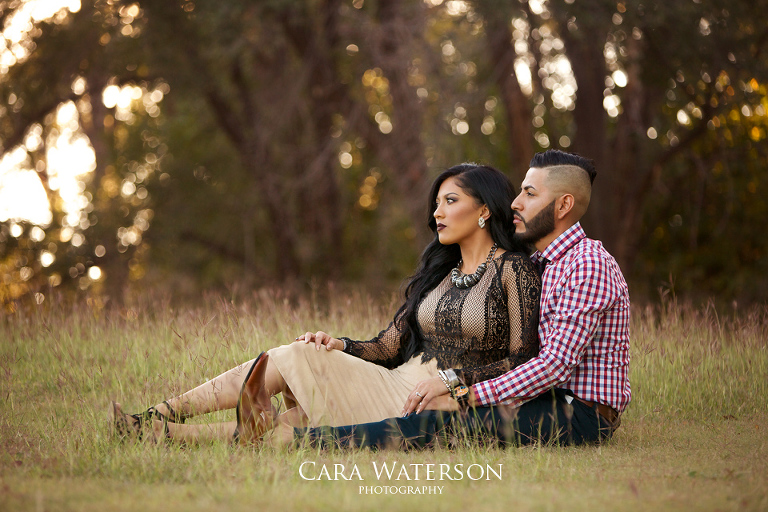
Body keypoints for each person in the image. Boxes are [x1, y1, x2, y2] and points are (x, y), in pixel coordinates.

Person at [111, 163, 541, 444]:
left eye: (450, 201)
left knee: (295, 427)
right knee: (304, 350)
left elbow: (524, 357)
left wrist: (454, 381)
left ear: (484, 209)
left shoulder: (514, 270)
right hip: (400, 379)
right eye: (436, 205)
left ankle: (164, 435)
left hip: (433, 399)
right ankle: (152, 419)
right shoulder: (439, 275)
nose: (438, 214)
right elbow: (389, 347)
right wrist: (341, 345)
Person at [294, 149, 631, 448]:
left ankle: (307, 441)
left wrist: (464, 393)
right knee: (440, 412)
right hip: (543, 398)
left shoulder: (588, 264)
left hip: (581, 412)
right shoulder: (543, 263)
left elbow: (554, 365)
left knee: (445, 422)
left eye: (529, 193)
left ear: (564, 205)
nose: (516, 203)